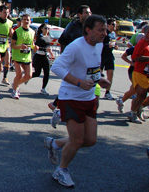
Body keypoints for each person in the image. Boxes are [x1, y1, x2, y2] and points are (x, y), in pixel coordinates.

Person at [43, 15, 110, 188]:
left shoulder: (99, 45)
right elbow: (57, 67)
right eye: (101, 29)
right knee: (78, 140)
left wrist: (99, 79)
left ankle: (55, 143)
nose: (105, 33)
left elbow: (91, 68)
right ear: (88, 30)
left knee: (90, 140)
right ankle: (61, 170)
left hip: (88, 99)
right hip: (71, 98)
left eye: (105, 29)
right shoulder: (76, 47)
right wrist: (79, 83)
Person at [129, 24, 149, 123]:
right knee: (141, 95)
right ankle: (133, 113)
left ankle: (140, 108)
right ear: (148, 33)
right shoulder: (142, 43)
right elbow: (135, 57)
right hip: (141, 73)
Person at [9, 14, 35, 99]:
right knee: (19, 74)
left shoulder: (32, 32)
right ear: (22, 21)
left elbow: (32, 44)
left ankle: (16, 84)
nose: (26, 21)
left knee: (29, 75)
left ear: (30, 21)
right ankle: (15, 90)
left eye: (28, 20)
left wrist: (35, 47)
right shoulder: (17, 31)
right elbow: (12, 45)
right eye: (24, 20)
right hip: (18, 56)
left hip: (27, 56)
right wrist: (20, 46)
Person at [32, 23, 54, 95]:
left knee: (47, 73)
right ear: (41, 29)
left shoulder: (48, 37)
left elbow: (48, 46)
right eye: (45, 28)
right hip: (39, 56)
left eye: (48, 28)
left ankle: (43, 88)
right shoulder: (39, 37)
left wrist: (51, 52)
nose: (47, 30)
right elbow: (36, 47)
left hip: (45, 57)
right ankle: (23, 78)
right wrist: (45, 49)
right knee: (37, 73)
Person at [101, 18, 117, 100]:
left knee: (110, 74)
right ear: (108, 25)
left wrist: (115, 46)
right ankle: (92, 91)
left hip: (110, 56)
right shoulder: (104, 33)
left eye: (115, 24)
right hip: (102, 56)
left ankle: (107, 92)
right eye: (113, 24)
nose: (114, 26)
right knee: (97, 74)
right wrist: (107, 46)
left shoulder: (113, 34)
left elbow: (113, 42)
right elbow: (100, 44)